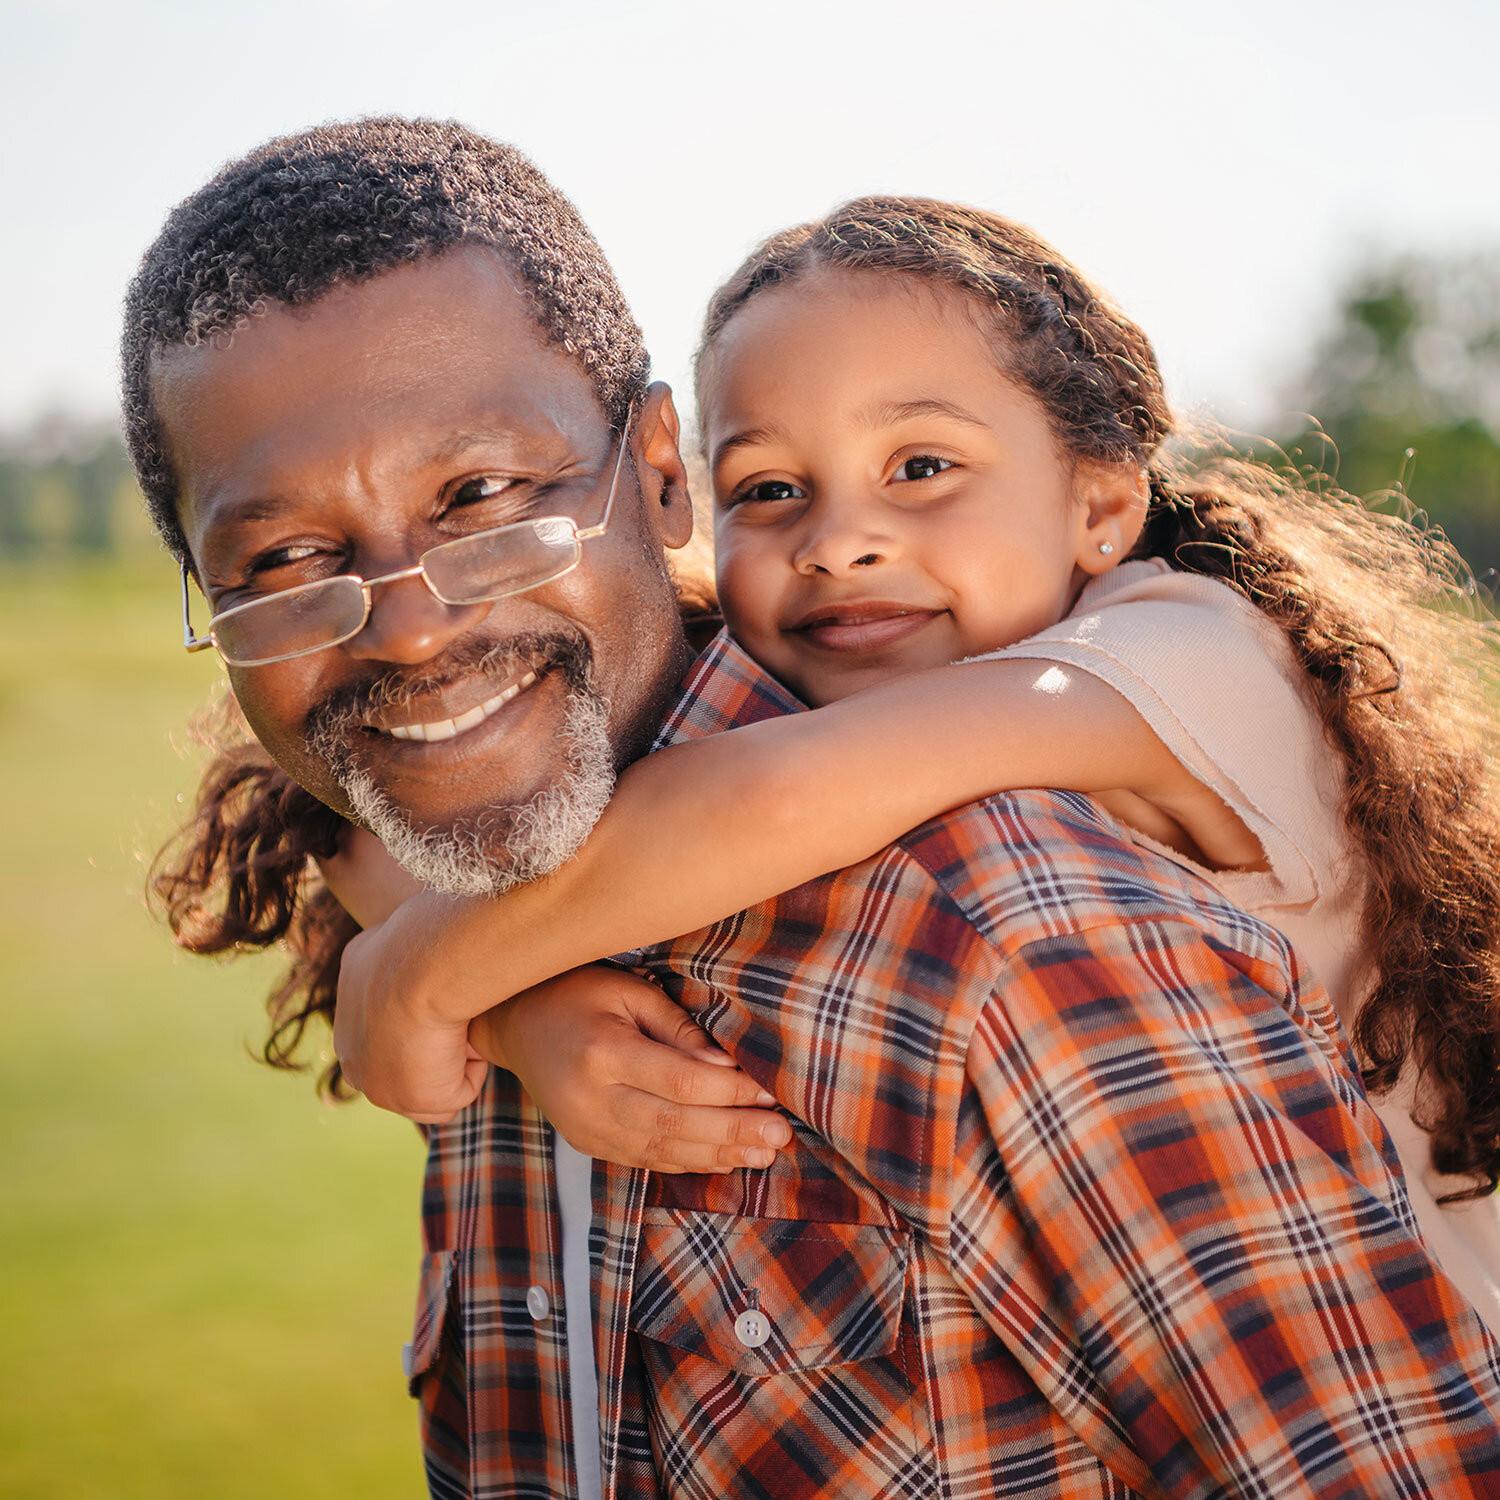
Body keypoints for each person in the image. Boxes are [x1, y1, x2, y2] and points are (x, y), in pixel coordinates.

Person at [138, 119, 1500, 1497]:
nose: (841, 542)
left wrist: (432, 976)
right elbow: (345, 817)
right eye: (774, 490)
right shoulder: (512, 815)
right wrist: (512, 1007)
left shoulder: (1062, 847)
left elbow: (771, 792)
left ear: (1102, 502)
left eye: (482, 495)